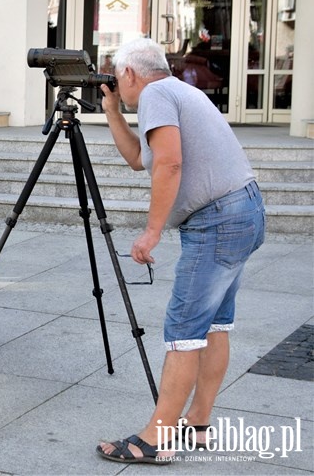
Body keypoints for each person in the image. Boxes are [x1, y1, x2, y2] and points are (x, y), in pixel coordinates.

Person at [95, 38, 265, 464]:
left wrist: (151, 233)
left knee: (184, 330)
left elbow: (168, 164)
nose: (119, 87)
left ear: (130, 74)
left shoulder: (155, 94)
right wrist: (114, 113)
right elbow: (141, 158)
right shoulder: (179, 91)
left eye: (118, 81)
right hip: (243, 209)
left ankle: (156, 439)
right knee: (214, 325)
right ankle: (198, 424)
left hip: (218, 220)